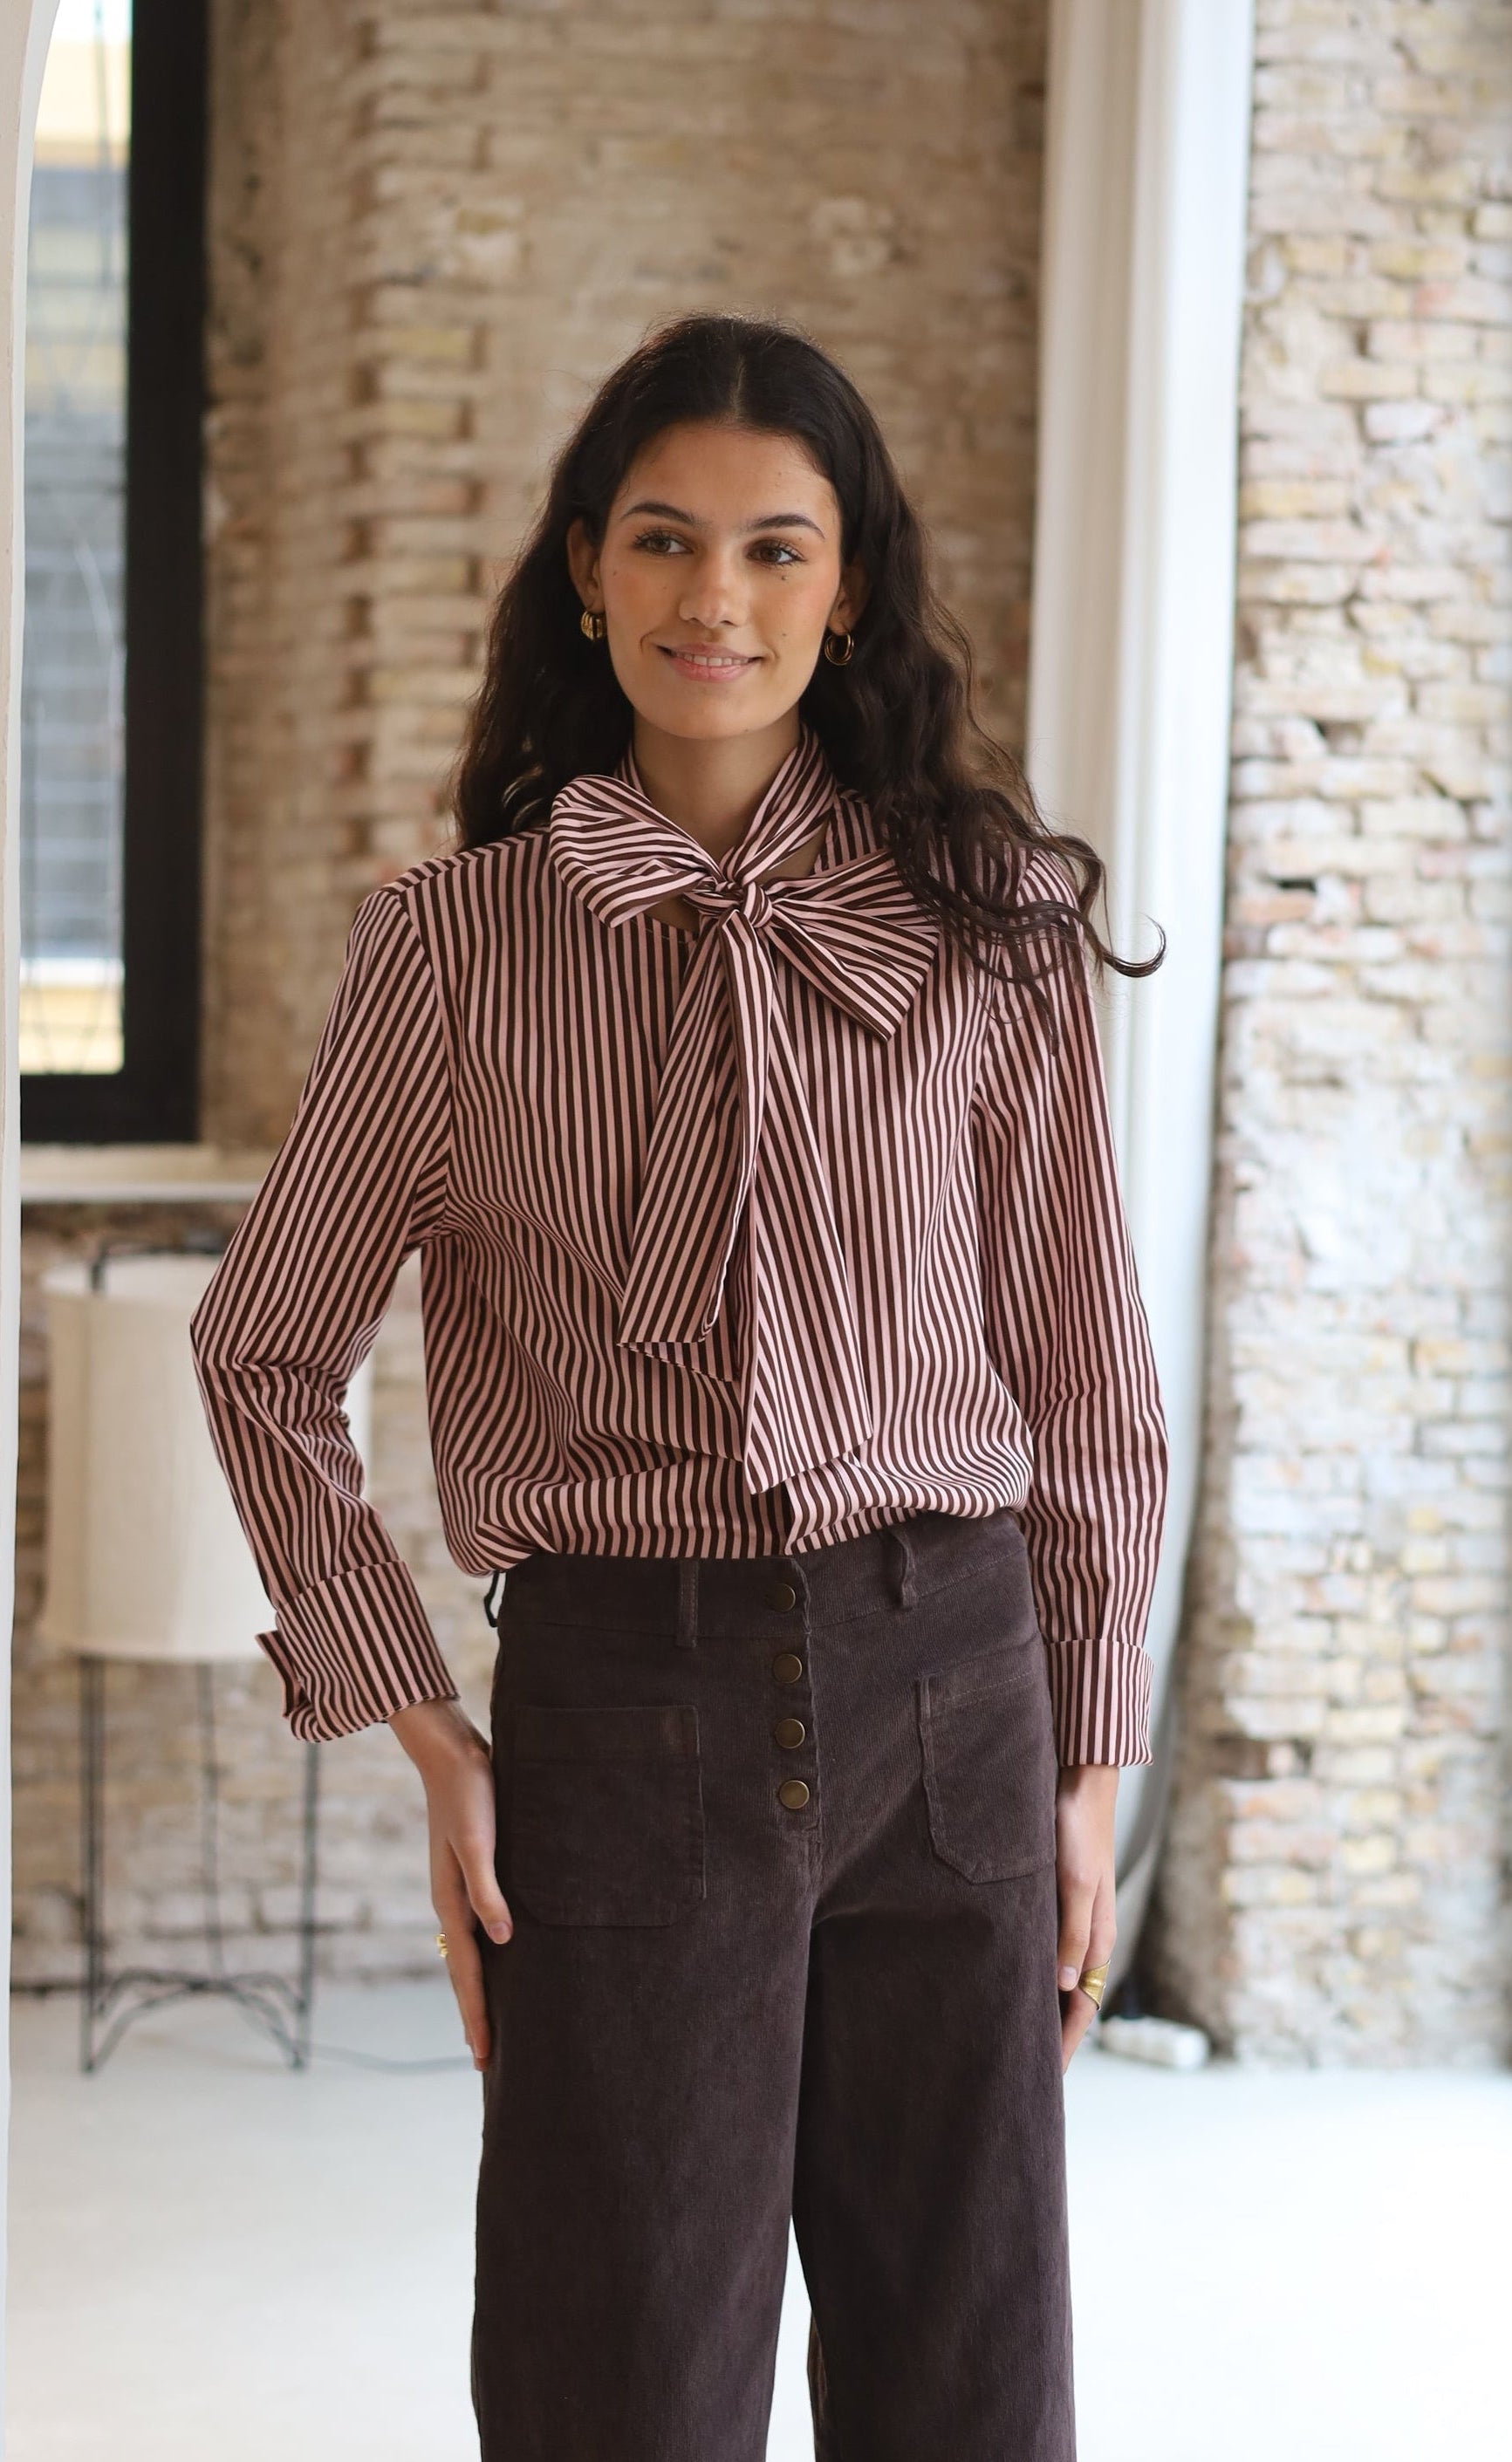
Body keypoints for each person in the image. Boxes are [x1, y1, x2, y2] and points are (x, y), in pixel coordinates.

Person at [192, 311, 1167, 2462]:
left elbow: (1089, 1375)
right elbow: (263, 1349)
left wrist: (1093, 1756)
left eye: (773, 548)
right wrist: (426, 1730)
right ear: (585, 567)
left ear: (848, 588)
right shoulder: (450, 949)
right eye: (662, 539)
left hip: (959, 1691)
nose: (713, 597)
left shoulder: (984, 921)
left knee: (971, 2384)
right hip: (629, 1710)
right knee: (616, 2383)